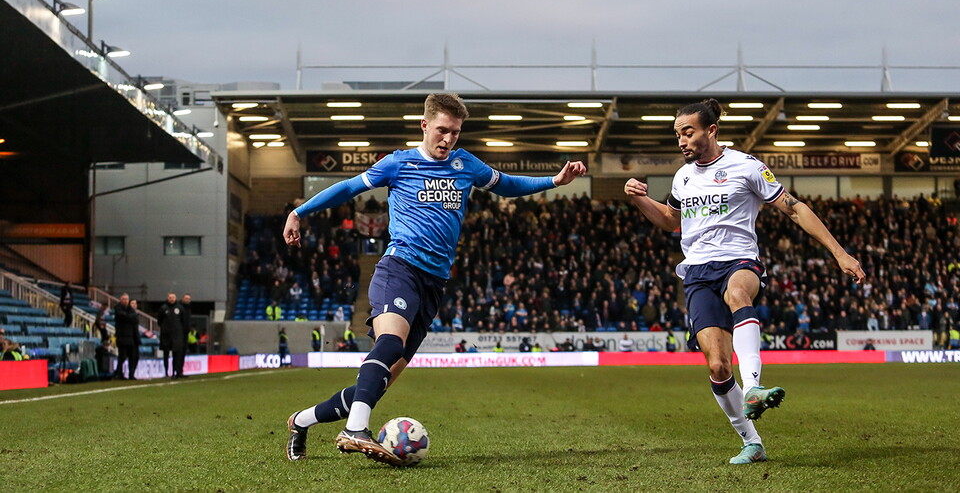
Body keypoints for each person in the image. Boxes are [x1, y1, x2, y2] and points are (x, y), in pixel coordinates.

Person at [283, 93, 586, 464]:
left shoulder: (466, 165)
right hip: (399, 269)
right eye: (442, 130)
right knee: (390, 344)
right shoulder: (398, 163)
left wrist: (555, 180)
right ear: (424, 125)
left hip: (434, 283)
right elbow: (348, 188)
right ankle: (355, 429)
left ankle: (301, 420)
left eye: (455, 133)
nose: (448, 139)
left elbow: (507, 184)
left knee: (377, 383)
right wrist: (299, 211)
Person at [624, 98, 865, 465]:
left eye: (687, 132)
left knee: (739, 292)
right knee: (718, 367)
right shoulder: (682, 177)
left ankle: (753, 386)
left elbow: (794, 207)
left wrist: (839, 252)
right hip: (698, 274)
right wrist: (641, 201)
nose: (681, 141)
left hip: (739, 261)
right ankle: (752, 442)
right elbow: (671, 221)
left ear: (712, 130)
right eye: (677, 135)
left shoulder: (745, 166)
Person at [158, 292, 186, 378]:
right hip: (166, 335)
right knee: (166, 354)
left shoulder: (180, 308)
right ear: (167, 298)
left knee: (176, 354)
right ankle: (166, 372)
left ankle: (175, 372)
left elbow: (183, 320)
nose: (172, 299)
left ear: (175, 298)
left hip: (176, 336)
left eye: (173, 297)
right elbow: (159, 321)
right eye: (170, 297)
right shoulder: (163, 308)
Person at [112, 294, 139, 380]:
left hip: (131, 337)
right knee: (122, 356)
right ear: (120, 300)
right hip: (122, 336)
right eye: (124, 299)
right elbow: (125, 316)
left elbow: (133, 318)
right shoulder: (118, 308)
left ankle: (131, 374)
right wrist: (131, 316)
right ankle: (118, 373)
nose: (126, 301)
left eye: (127, 299)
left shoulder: (130, 310)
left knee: (132, 356)